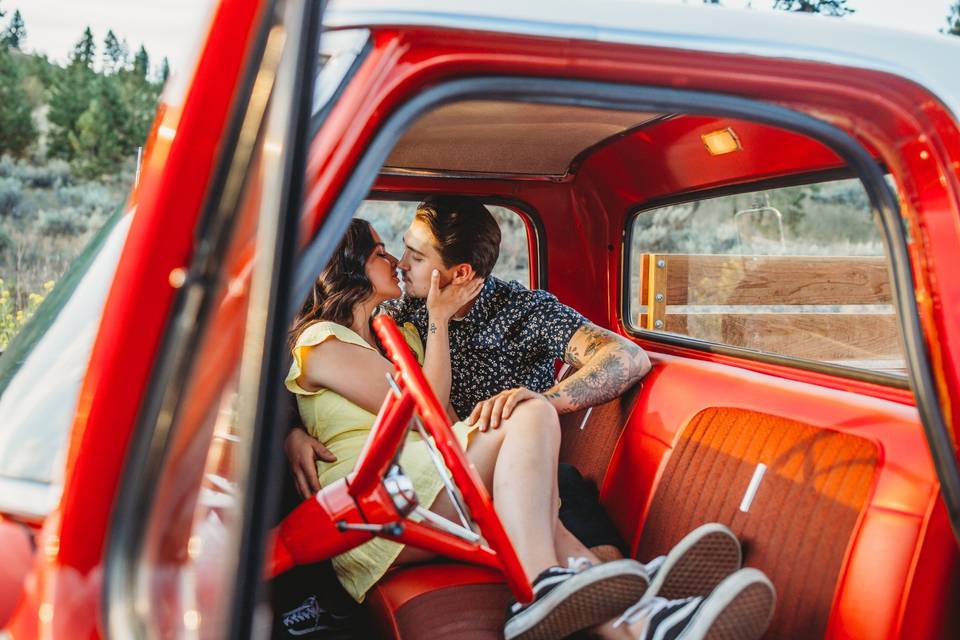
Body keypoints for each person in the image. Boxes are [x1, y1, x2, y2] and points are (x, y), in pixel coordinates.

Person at [286, 218, 653, 640]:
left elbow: (627, 355)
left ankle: (642, 619)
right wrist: (291, 432)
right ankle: (545, 586)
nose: (398, 263)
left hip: (446, 474)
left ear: (458, 274)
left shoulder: (410, 331)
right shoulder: (327, 337)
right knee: (532, 415)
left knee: (542, 508)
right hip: (381, 492)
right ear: (347, 267)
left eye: (412, 255)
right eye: (385, 252)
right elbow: (426, 412)